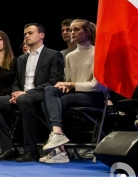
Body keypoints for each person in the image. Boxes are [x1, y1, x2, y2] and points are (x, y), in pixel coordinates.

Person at [0, 23, 64, 162]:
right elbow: (16, 82)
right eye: (25, 34)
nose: (26, 35)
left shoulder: (53, 54)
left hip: (41, 94)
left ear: (41, 35)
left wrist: (26, 93)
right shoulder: (21, 59)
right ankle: (8, 148)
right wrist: (16, 93)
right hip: (22, 95)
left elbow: (53, 82)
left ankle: (30, 150)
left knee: (23, 100)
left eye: (30, 33)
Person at [40, 19, 107, 163]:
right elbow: (68, 82)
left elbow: (98, 86)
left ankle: (59, 147)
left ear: (87, 32)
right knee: (48, 94)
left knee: (50, 102)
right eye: (70, 30)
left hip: (93, 97)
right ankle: (58, 139)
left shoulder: (97, 52)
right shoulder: (70, 56)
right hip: (75, 95)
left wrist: (71, 84)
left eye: (76, 29)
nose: (72, 33)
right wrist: (65, 85)